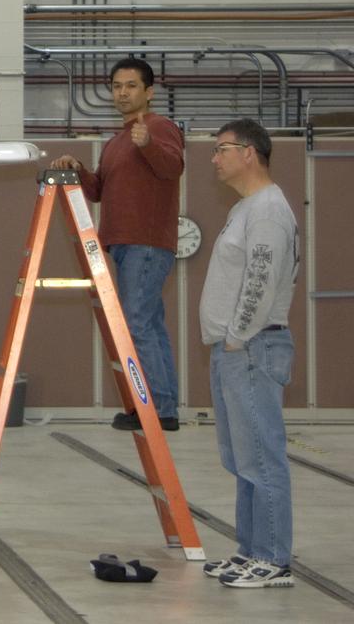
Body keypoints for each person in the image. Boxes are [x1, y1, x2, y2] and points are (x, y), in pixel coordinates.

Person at [50, 58, 184, 431]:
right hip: (124, 244)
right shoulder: (116, 143)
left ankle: (156, 410)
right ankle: (164, 406)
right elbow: (98, 192)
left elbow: (173, 167)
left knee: (137, 324)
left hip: (146, 242)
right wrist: (77, 168)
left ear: (149, 92)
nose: (122, 92)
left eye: (131, 86)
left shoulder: (159, 128)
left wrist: (149, 144)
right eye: (117, 86)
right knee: (149, 324)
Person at [199, 119, 298, 589]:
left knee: (261, 455)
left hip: (253, 348)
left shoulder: (267, 212)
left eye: (222, 149)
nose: (215, 158)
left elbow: (260, 282)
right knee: (242, 459)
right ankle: (251, 550)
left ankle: (274, 559)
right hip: (235, 349)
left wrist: (238, 336)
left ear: (250, 153)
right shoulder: (246, 208)